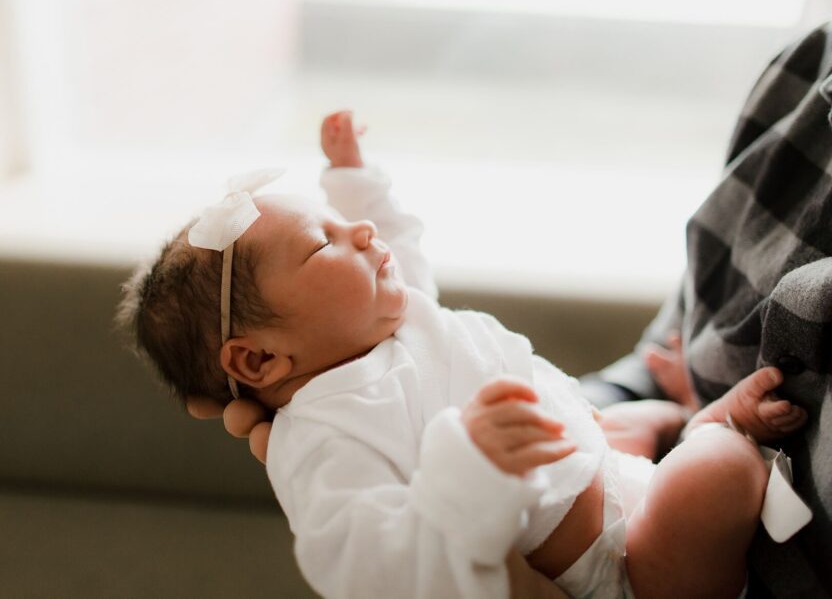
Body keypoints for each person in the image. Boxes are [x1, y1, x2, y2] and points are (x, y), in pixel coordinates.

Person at [120, 110, 809, 598]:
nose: (360, 230)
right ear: (261, 361)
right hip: (618, 567)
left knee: (647, 426)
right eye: (322, 242)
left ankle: (687, 422)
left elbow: (399, 250)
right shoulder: (322, 435)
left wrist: (355, 182)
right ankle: (715, 434)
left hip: (607, 462)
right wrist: (464, 471)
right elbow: (365, 567)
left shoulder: (392, 319)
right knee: (717, 472)